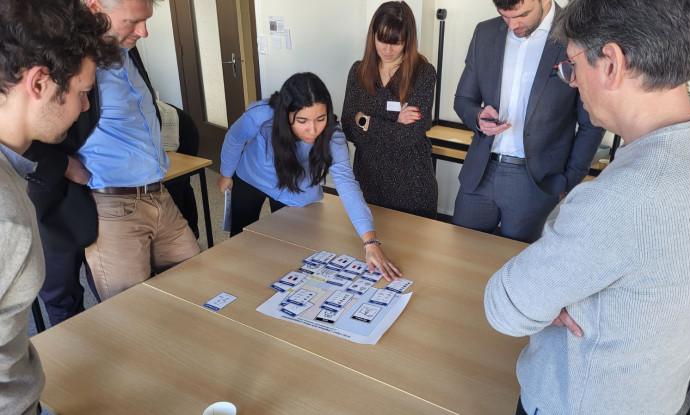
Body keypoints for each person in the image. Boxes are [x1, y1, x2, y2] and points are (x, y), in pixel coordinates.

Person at [483, 0, 690, 414]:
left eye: (572, 65)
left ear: (612, 63)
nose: (571, 82)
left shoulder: (625, 199)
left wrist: (555, 293)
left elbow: (505, 306)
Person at [0, 0, 119, 413]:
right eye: (84, 93)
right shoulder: (5, 218)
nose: (86, 107)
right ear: (39, 84)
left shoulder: (13, 166)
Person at [68, 0, 201, 301]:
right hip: (114, 206)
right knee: (132, 311)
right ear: (93, 7)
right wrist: (62, 164)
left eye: (146, 21)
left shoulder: (127, 50)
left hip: (159, 194)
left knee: (197, 286)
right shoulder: (69, 62)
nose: (144, 32)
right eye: (132, 22)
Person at [218, 72, 402, 281]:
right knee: (240, 239)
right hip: (251, 177)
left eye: (320, 119)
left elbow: (347, 185)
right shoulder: (263, 115)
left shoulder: (333, 136)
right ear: (286, 113)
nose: (312, 130)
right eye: (302, 120)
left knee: (287, 253)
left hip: (293, 192)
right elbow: (234, 138)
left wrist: (370, 242)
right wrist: (226, 174)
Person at [453, 0, 604, 243]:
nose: (512, 25)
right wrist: (478, 117)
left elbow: (592, 123)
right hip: (479, 173)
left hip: (535, 181)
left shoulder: (580, 34)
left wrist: (568, 180)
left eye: (521, 15)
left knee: (517, 265)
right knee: (461, 253)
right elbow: (463, 99)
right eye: (504, 16)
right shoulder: (485, 32)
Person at [342, 1, 438, 219]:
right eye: (382, 41)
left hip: (411, 186)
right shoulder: (358, 71)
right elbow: (348, 127)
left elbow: (410, 136)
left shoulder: (422, 74)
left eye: (396, 43)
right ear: (372, 36)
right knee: (368, 248)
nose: (387, 50)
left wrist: (366, 121)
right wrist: (394, 124)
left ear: (408, 41)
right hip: (368, 181)